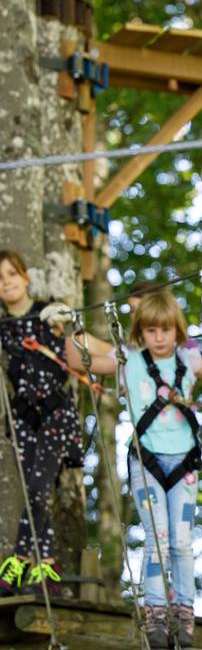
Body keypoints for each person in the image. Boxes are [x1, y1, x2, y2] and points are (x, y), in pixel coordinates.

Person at [67, 290, 202, 648]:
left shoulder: (190, 357)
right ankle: (155, 612)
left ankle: (183, 610)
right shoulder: (128, 358)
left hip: (184, 462)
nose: (159, 338)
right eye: (151, 330)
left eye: (166, 330)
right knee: (158, 541)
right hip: (147, 462)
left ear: (177, 331)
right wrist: (68, 329)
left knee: (182, 542)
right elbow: (79, 360)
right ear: (141, 332)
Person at [0, 250, 84, 597]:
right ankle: (46, 564)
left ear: (26, 277)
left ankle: (20, 560)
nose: (5, 282)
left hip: (55, 415)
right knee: (38, 494)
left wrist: (68, 318)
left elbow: (76, 341)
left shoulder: (49, 314)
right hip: (23, 418)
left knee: (37, 489)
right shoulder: (3, 327)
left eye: (11, 274)